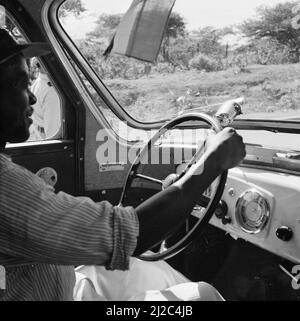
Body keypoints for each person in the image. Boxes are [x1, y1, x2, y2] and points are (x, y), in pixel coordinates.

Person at [0, 28, 246, 301]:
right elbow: (128, 237)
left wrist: (179, 190)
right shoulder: (5, 186)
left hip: (61, 279)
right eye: (21, 84)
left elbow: (106, 233)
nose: (32, 97)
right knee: (202, 296)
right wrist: (210, 165)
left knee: (140, 264)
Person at [28, 58, 61, 140]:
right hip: (43, 138)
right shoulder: (52, 92)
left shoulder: (39, 82)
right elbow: (52, 133)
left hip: (35, 135)